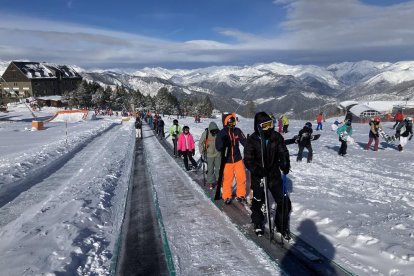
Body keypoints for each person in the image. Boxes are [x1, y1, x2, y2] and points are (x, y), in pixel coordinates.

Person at [243, 112, 291, 237]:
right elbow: (248, 160)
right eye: (265, 126)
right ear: (258, 126)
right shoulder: (252, 140)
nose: (269, 128)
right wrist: (258, 170)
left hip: (274, 175)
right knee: (258, 201)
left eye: (270, 124)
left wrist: (285, 163)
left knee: (283, 201)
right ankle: (258, 222)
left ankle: (281, 226)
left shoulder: (276, 137)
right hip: (259, 176)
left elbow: (283, 152)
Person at [215, 112, 247, 204]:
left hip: (237, 159)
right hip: (227, 160)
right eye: (231, 123)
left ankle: (241, 195)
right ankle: (227, 196)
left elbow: (244, 141)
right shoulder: (221, 133)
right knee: (228, 179)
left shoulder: (237, 131)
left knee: (242, 177)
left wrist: (250, 147)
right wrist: (224, 143)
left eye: (234, 123)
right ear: (226, 123)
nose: (233, 124)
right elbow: (218, 147)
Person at [198, 122, 221, 189]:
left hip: (218, 153)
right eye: (213, 131)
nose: (214, 132)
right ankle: (210, 182)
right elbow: (200, 143)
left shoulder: (219, 132)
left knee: (218, 168)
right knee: (210, 169)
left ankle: (219, 181)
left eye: (215, 131)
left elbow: (223, 141)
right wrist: (202, 151)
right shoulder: (206, 133)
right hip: (209, 154)